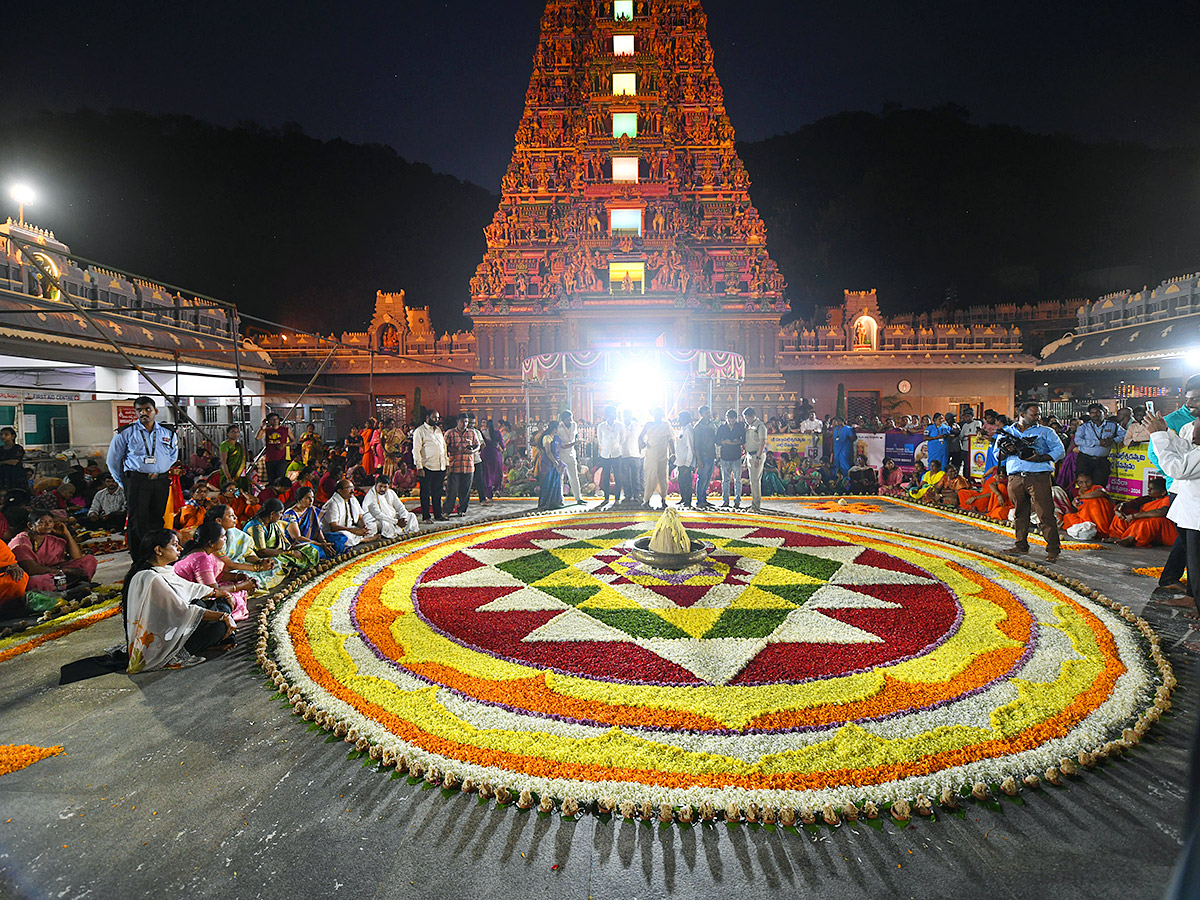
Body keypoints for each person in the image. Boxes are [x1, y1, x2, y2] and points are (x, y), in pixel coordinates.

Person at [123, 529, 235, 672]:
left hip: (173, 626)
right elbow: (182, 609)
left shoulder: (163, 570)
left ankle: (217, 637)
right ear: (158, 550)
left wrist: (224, 594)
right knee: (219, 626)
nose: (181, 548)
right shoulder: (150, 578)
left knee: (210, 604)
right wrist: (223, 616)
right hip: (161, 639)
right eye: (175, 545)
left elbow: (193, 589)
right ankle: (212, 640)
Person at [107, 396, 179, 558]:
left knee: (157, 518)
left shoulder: (168, 432)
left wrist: (162, 467)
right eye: (139, 410)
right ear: (136, 412)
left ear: (155, 411)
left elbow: (173, 455)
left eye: (147, 409)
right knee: (137, 520)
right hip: (137, 481)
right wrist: (125, 482)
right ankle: (139, 558)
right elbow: (113, 460)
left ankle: (156, 554)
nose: (144, 413)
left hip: (160, 480)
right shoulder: (125, 433)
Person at [1149, 393, 1200, 613]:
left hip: (1196, 511)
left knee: (1196, 560)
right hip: (1189, 507)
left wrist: (1160, 435)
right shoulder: (1190, 433)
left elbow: (1177, 468)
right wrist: (1166, 433)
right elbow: (1188, 451)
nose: (1193, 431)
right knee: (1192, 556)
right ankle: (1194, 598)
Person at [1000, 401, 1066, 562]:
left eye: (1038, 414)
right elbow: (997, 455)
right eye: (1034, 414)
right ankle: (1020, 544)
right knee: (1020, 512)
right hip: (1015, 477)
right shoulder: (1007, 432)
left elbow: (1060, 451)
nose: (1038, 417)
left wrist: (1040, 457)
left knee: (1045, 513)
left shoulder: (1046, 431)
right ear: (1022, 414)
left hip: (1039, 476)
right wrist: (1006, 450)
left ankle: (1053, 549)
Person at [174, 520, 250, 622]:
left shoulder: (204, 553)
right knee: (234, 598)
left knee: (237, 588)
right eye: (222, 537)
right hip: (189, 601)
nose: (225, 539)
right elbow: (213, 591)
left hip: (200, 591)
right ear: (211, 543)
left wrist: (237, 577)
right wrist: (242, 586)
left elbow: (214, 576)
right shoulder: (202, 558)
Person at [10, 513, 98, 590]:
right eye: (42, 522)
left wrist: (67, 534)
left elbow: (77, 558)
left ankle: (70, 586)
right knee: (34, 582)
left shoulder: (53, 540)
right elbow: (31, 569)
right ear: (30, 525)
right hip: (36, 575)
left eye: (51, 521)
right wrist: (65, 571)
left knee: (89, 560)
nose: (48, 524)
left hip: (55, 572)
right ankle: (71, 586)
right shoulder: (21, 542)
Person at [205, 504, 275, 589]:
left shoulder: (235, 533)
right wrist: (258, 568)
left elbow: (247, 553)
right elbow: (228, 565)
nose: (235, 517)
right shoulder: (212, 539)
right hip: (221, 571)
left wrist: (260, 561)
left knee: (275, 566)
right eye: (231, 516)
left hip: (235, 565)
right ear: (219, 520)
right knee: (247, 580)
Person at [248, 498, 319, 580]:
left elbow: (281, 542)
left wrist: (291, 548)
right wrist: (289, 552)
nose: (281, 516)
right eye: (280, 513)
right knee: (277, 562)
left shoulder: (271, 524)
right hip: (260, 557)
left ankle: (292, 568)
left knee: (308, 549)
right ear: (272, 514)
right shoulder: (255, 527)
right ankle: (291, 568)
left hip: (276, 551)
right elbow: (261, 552)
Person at [1110, 477, 1177, 547]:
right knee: (1123, 514)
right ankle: (1116, 536)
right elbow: (1125, 504)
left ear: (1163, 492)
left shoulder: (1167, 499)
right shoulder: (1147, 499)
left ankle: (1132, 539)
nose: (1148, 490)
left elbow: (1162, 512)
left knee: (1150, 521)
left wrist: (1135, 516)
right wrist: (1118, 510)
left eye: (1152, 489)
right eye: (1148, 488)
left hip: (1165, 529)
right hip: (1144, 524)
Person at [1074, 403, 1124, 490]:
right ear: (1089, 414)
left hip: (1102, 461)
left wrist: (1113, 440)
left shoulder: (1113, 425)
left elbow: (1124, 435)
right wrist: (1097, 443)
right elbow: (1078, 441)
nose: (1095, 414)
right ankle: (1084, 502)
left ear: (1103, 412)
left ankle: (1097, 503)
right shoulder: (1084, 427)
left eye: (1098, 412)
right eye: (1092, 412)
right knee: (1084, 486)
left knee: (1100, 486)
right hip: (1085, 460)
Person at [280, 486, 337, 560]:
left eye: (312, 497)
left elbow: (317, 529)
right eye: (307, 498)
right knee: (315, 551)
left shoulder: (311, 509)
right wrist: (320, 544)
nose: (311, 500)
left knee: (338, 539)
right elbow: (297, 537)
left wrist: (324, 542)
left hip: (311, 540)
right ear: (299, 499)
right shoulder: (290, 514)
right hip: (296, 544)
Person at [320, 479, 376, 553]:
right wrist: (355, 531)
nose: (352, 490)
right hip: (336, 532)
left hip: (351, 528)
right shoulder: (333, 503)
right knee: (345, 535)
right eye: (349, 488)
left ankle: (360, 538)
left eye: (352, 487)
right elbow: (333, 527)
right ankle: (364, 539)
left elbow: (359, 516)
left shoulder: (352, 498)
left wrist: (363, 526)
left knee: (372, 526)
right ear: (340, 491)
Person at [413, 410, 448, 523]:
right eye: (434, 418)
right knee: (425, 493)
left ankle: (438, 515)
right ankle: (426, 517)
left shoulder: (438, 430)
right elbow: (416, 450)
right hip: (427, 467)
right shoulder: (420, 431)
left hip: (439, 466)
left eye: (437, 418)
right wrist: (419, 467)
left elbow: (443, 447)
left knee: (437, 492)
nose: (436, 420)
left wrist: (446, 463)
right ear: (427, 417)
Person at [444, 414, 480, 518]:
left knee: (465, 490)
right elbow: (444, 448)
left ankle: (462, 509)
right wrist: (457, 450)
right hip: (454, 465)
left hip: (468, 466)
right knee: (452, 490)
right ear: (457, 421)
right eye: (462, 421)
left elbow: (477, 445)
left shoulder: (472, 433)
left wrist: (473, 450)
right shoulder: (450, 433)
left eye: (466, 422)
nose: (464, 424)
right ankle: (447, 510)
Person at [639, 408, 675, 508]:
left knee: (662, 477)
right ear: (653, 414)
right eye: (656, 413)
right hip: (651, 455)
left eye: (659, 414)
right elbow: (640, 437)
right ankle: (646, 500)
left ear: (662, 415)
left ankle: (663, 499)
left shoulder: (665, 425)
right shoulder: (648, 424)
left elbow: (670, 440)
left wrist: (673, 453)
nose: (657, 415)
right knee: (650, 477)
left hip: (662, 455)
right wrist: (642, 444)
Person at [715, 409, 745, 508]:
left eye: (733, 420)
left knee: (737, 480)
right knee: (725, 480)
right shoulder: (722, 427)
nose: (731, 422)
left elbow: (743, 440)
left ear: (736, 419)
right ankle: (725, 501)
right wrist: (724, 442)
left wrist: (737, 442)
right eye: (729, 420)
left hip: (736, 455)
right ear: (726, 418)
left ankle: (737, 501)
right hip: (725, 456)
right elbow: (717, 440)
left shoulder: (740, 427)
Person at [596, 406, 624, 504]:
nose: (615, 414)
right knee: (606, 476)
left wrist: (616, 447)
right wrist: (606, 447)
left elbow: (622, 439)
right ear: (608, 414)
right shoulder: (601, 426)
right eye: (613, 413)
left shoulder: (620, 425)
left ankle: (617, 498)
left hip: (617, 454)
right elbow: (600, 440)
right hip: (605, 454)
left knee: (618, 476)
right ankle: (606, 498)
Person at [742, 407, 768, 512]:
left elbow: (762, 443)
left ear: (753, 416)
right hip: (750, 455)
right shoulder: (750, 426)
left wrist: (758, 457)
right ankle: (754, 503)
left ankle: (756, 505)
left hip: (757, 455)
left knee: (755, 480)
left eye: (747, 418)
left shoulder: (760, 426)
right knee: (753, 480)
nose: (745, 420)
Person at [692, 406, 718, 510]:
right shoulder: (698, 427)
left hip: (711, 454)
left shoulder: (711, 424)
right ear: (701, 414)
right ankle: (699, 500)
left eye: (709, 412)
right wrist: (699, 459)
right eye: (707, 413)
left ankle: (704, 499)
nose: (709, 414)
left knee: (707, 479)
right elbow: (697, 444)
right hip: (703, 455)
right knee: (702, 478)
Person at [557, 411, 584, 505]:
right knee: (560, 477)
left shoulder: (574, 425)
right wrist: (574, 443)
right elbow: (562, 445)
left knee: (574, 476)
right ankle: (560, 499)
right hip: (562, 455)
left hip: (572, 454)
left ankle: (578, 497)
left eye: (571, 418)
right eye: (568, 418)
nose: (570, 420)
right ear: (563, 419)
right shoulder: (559, 428)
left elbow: (574, 436)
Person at [535, 423, 564, 511]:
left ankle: (554, 502)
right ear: (554, 428)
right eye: (558, 427)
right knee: (547, 482)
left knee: (555, 482)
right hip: (548, 463)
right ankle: (545, 503)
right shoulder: (547, 437)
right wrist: (554, 461)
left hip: (555, 462)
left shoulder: (556, 438)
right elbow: (548, 452)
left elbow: (563, 447)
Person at [256, 413, 291, 485]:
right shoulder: (267, 431)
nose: (275, 421)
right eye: (272, 419)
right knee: (271, 480)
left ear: (279, 420)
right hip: (270, 459)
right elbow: (257, 437)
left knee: (280, 479)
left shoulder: (285, 430)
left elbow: (293, 441)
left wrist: (285, 444)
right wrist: (262, 427)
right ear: (268, 421)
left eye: (276, 419)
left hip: (281, 458)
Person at [477, 418, 506, 505]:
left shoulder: (482, 433)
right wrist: (502, 449)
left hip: (485, 455)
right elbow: (503, 445)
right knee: (497, 472)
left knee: (487, 474)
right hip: (495, 454)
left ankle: (489, 495)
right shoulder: (497, 433)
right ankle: (497, 489)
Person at [619, 409, 643, 507]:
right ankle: (627, 496)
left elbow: (641, 439)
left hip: (635, 454)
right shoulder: (619, 426)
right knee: (625, 477)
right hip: (623, 454)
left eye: (628, 415)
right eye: (625, 415)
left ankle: (637, 496)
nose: (627, 417)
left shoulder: (637, 426)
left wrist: (641, 451)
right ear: (623, 416)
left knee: (636, 476)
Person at [218, 425, 251, 493]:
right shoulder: (225, 445)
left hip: (240, 474)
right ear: (228, 433)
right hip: (229, 473)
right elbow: (223, 462)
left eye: (237, 432)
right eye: (233, 432)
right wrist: (228, 477)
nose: (235, 434)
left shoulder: (239, 445)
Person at [675, 410, 696, 507]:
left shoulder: (688, 430)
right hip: (680, 461)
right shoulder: (682, 429)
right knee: (681, 481)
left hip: (685, 462)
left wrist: (688, 464)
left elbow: (690, 447)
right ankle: (683, 498)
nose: (679, 421)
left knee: (687, 482)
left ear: (686, 419)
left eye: (680, 419)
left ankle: (687, 501)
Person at [0, 426, 25, 494]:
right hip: (2, 475)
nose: (3, 436)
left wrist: (2, 462)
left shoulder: (17, 448)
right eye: (1, 434)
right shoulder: (1, 449)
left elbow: (14, 462)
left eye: (6, 434)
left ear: (13, 436)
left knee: (16, 493)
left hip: (15, 475)